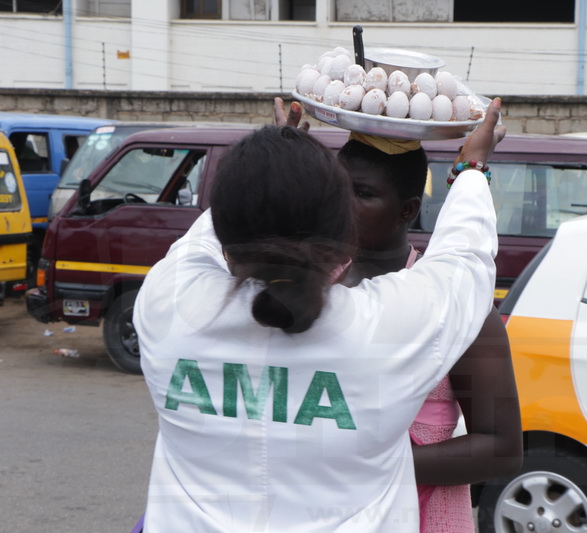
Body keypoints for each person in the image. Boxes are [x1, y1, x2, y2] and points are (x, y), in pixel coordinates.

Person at [133, 101, 506, 532]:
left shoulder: (167, 304)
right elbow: (465, 261)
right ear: (340, 228)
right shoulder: (387, 328)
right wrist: (471, 168)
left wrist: (272, 174)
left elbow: (208, 235)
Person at [275, 98, 522, 532]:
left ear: (408, 209)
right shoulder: (309, 285)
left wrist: (363, 464)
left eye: (364, 193)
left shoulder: (457, 303)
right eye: (338, 189)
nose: (343, 205)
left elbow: (500, 446)